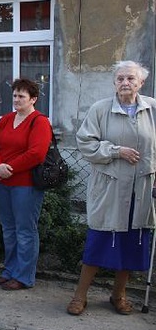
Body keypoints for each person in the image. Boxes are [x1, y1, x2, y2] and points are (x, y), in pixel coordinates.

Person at [67, 61, 156, 316]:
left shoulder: (152, 108)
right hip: (110, 189)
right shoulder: (100, 109)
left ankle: (118, 295)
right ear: (114, 82)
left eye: (130, 78)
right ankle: (79, 296)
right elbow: (85, 143)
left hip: (141, 190)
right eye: (120, 78)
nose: (125, 83)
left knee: (131, 243)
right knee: (98, 243)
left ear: (141, 82)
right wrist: (116, 151)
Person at [0, 78, 52, 290]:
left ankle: (24, 276)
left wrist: (9, 168)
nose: (16, 99)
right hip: (3, 182)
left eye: (21, 96)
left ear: (33, 99)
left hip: (25, 185)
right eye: (14, 95)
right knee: (8, 229)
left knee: (25, 231)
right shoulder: (6, 119)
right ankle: (10, 270)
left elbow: (37, 153)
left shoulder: (40, 121)